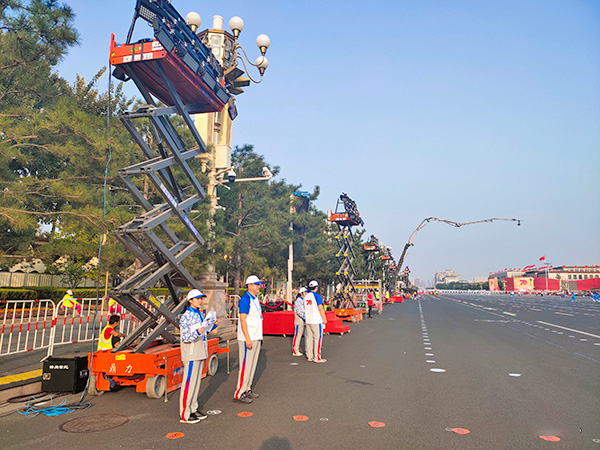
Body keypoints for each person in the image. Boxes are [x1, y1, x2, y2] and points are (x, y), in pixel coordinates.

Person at [179, 289, 216, 424]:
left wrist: (211, 326)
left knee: (196, 383)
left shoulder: (199, 314)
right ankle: (185, 413)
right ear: (190, 300)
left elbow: (203, 331)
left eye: (201, 298)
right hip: (191, 353)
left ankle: (193, 408)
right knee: (188, 384)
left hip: (200, 351)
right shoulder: (186, 317)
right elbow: (185, 337)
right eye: (197, 298)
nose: (200, 301)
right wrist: (198, 331)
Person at [234, 275, 264, 404]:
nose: (258, 286)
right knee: (246, 366)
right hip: (248, 337)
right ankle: (240, 392)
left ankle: (247, 388)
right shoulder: (245, 299)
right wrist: (247, 338)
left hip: (256, 336)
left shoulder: (255, 299)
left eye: (258, 284)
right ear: (249, 285)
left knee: (252, 365)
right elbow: (242, 319)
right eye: (256, 284)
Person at [304, 280, 327, 363]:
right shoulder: (317, 296)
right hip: (316, 320)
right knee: (317, 338)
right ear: (316, 287)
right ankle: (317, 357)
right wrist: (324, 319)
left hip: (308, 320)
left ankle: (309, 356)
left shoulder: (306, 296)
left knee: (309, 338)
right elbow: (320, 308)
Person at [292, 287, 307, 356]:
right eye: (305, 292)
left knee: (300, 335)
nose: (306, 293)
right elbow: (299, 311)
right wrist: (305, 317)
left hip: (303, 321)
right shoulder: (299, 300)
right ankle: (295, 350)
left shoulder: (304, 300)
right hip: (299, 321)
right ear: (301, 293)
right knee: (297, 335)